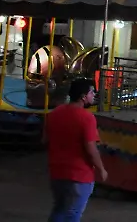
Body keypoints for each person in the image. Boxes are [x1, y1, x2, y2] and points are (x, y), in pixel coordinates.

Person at [45, 77, 106, 222]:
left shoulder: (55, 113)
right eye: (92, 92)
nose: (94, 95)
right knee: (72, 214)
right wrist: (101, 169)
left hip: (57, 172)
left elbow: (45, 139)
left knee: (59, 210)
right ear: (83, 97)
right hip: (79, 175)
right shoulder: (87, 118)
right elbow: (91, 149)